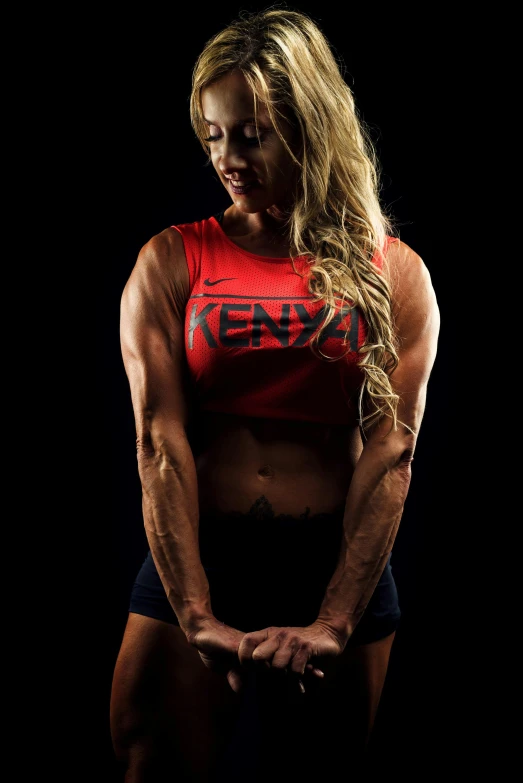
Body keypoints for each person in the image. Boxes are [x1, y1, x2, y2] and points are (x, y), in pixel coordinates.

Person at [110, 6, 440, 782]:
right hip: (202, 550)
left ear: (310, 127)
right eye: (214, 134)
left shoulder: (393, 273)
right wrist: (192, 609)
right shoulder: (171, 260)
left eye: (251, 134)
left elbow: (392, 451)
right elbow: (158, 441)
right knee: (147, 761)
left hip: (335, 558)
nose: (228, 156)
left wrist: (334, 617)